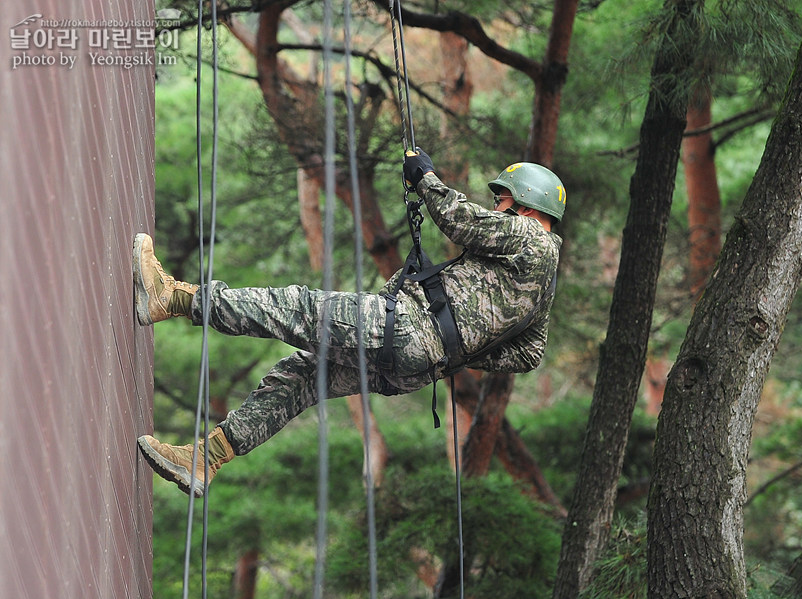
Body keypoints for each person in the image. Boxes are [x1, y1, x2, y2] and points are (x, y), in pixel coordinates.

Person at [136, 149, 565, 497]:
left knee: (295, 307)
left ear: (528, 203)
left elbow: (458, 220)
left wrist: (426, 177)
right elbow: (530, 354)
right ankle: (204, 459)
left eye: (502, 199)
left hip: (406, 329)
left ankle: (171, 299)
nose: (496, 206)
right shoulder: (545, 282)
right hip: (417, 367)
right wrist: (459, 342)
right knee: (302, 375)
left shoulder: (532, 237)